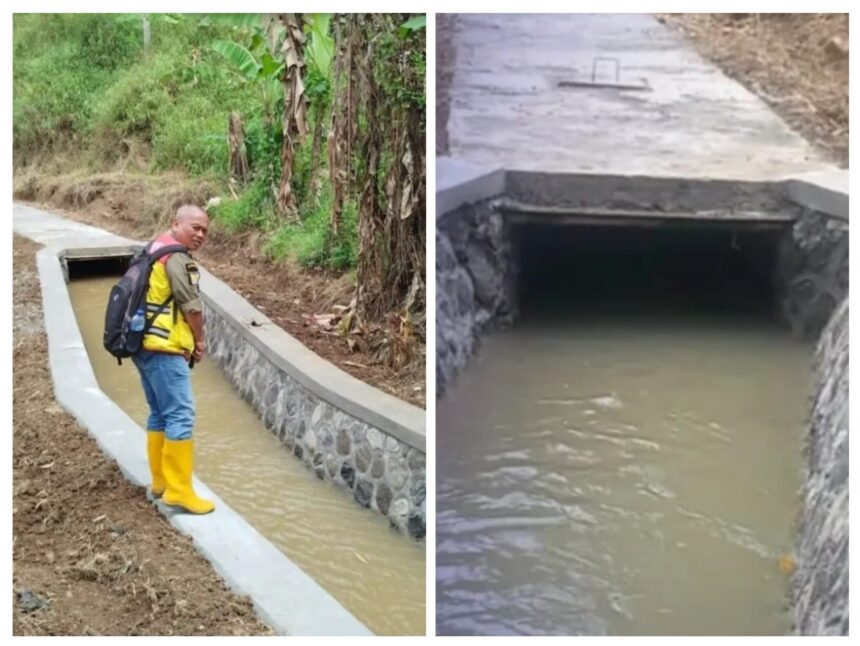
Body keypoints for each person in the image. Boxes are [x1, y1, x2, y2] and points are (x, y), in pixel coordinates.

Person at [133, 205, 214, 514]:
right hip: (165, 347)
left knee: (159, 413)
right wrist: (199, 340)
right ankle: (179, 491)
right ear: (175, 224)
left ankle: (161, 482)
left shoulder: (154, 248)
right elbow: (191, 306)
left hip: (143, 343)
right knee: (180, 414)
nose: (200, 234)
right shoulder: (177, 257)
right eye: (195, 227)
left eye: (205, 230)